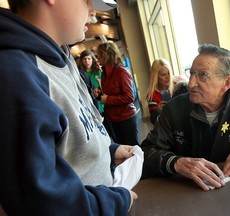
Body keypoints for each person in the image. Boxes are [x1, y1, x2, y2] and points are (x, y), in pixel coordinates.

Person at [0, 0, 138, 215]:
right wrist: (114, 202)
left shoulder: (62, 56)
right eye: (87, 0)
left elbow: (72, 132)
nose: (93, 12)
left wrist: (108, 150)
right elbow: (40, 200)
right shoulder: (15, 73)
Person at [141, 44, 230, 191]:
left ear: (227, 82)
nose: (191, 83)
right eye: (191, 73)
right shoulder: (174, 110)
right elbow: (145, 154)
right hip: (190, 198)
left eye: (202, 75)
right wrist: (176, 163)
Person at [97, 41, 139, 146]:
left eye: (99, 55)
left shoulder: (122, 72)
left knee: (132, 149)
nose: (97, 58)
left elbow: (129, 97)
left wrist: (107, 99)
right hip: (113, 119)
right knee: (121, 150)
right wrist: (99, 93)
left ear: (105, 55)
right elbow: (108, 93)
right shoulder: (104, 74)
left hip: (126, 118)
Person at [146, 58, 174, 124]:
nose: (168, 77)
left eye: (169, 73)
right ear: (156, 77)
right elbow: (153, 120)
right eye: (163, 75)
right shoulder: (152, 95)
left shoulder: (178, 86)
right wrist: (158, 111)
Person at [78, 49, 104, 113]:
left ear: (92, 60)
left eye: (89, 59)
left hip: (103, 104)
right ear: (81, 60)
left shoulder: (98, 72)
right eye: (84, 59)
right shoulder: (80, 74)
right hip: (90, 106)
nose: (87, 61)